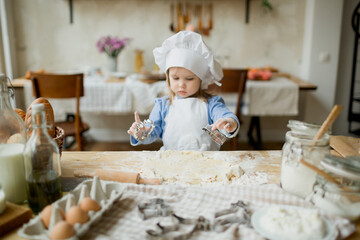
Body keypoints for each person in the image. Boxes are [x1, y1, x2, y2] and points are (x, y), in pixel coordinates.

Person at [128, 31, 239, 151]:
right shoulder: (162, 105)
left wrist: (229, 122)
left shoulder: (212, 103)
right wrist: (142, 133)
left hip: (205, 163)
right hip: (171, 162)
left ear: (200, 79)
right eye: (175, 78)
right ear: (168, 77)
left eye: (189, 79)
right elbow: (151, 131)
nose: (181, 84)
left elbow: (225, 116)